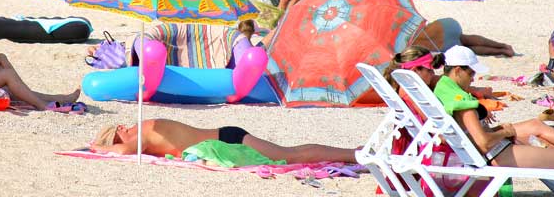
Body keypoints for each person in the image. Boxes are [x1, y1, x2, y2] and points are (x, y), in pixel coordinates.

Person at [434, 46, 554, 168]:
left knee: (539, 133)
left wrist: (498, 130)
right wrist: (504, 133)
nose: (473, 79)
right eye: (471, 73)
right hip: (497, 153)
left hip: (493, 148)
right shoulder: (461, 102)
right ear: (457, 70)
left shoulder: (443, 89)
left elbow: (470, 133)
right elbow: (483, 143)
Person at [89, 118, 358, 163]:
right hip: (225, 135)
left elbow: (123, 152)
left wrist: (97, 148)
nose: (119, 141)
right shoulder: (149, 127)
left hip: (229, 139)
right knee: (291, 153)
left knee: (292, 156)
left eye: (116, 138)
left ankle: (354, 154)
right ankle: (354, 152)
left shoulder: (145, 132)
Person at [411, 18, 514, 56]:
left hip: (437, 45)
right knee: (466, 39)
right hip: (440, 29)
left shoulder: (402, 42)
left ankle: (502, 51)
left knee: (468, 49)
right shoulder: (405, 17)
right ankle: (503, 46)